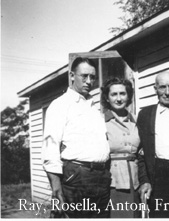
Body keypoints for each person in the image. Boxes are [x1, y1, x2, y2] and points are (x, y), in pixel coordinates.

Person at [42, 57, 111, 218]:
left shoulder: (94, 107)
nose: (89, 81)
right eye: (84, 76)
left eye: (92, 77)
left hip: (101, 176)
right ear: (72, 75)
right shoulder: (61, 104)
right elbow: (50, 148)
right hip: (77, 176)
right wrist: (56, 188)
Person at [137, 71, 169, 218]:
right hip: (157, 174)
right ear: (155, 89)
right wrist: (144, 180)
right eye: (162, 87)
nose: (167, 92)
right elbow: (140, 152)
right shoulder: (145, 115)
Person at [100, 77, 141, 218]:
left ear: (129, 96)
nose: (118, 99)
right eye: (114, 94)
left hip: (135, 181)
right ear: (106, 97)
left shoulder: (136, 120)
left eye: (122, 94)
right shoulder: (100, 121)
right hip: (111, 181)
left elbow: (142, 153)